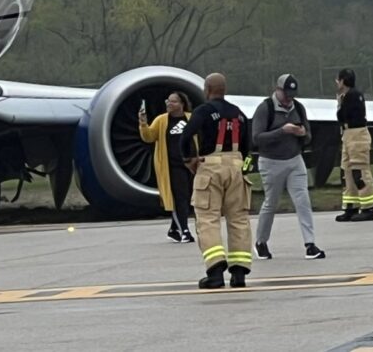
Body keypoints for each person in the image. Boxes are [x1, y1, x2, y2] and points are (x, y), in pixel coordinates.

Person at [180, 73, 252, 289]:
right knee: (238, 219)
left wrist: (188, 160)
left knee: (208, 218)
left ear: (207, 89)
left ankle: (215, 271)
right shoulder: (238, 114)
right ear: (225, 89)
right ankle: (239, 274)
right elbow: (248, 144)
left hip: (210, 165)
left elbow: (185, 136)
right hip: (237, 166)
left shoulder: (203, 111)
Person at [252, 75, 326, 260]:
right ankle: (261, 241)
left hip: (295, 160)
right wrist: (282, 131)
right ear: (277, 90)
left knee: (303, 201)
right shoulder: (265, 108)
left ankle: (310, 244)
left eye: (291, 95)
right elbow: (257, 138)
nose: (288, 99)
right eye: (286, 94)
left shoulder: (298, 108)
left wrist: (302, 133)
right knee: (271, 202)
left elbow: (308, 136)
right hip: (271, 162)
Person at [139, 92, 197, 244]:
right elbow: (149, 137)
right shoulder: (161, 120)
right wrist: (143, 124)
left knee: (187, 196)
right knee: (180, 197)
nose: (169, 104)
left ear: (182, 104)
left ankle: (173, 230)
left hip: (191, 164)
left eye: (173, 102)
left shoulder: (191, 118)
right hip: (172, 165)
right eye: (168, 101)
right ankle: (184, 231)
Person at [336, 68, 373, 222]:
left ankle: (368, 208)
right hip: (348, 135)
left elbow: (345, 115)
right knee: (346, 171)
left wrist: (340, 103)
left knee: (359, 172)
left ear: (342, 81)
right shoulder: (345, 95)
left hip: (357, 135)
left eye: (338, 80)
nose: (336, 83)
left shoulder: (353, 95)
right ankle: (351, 207)